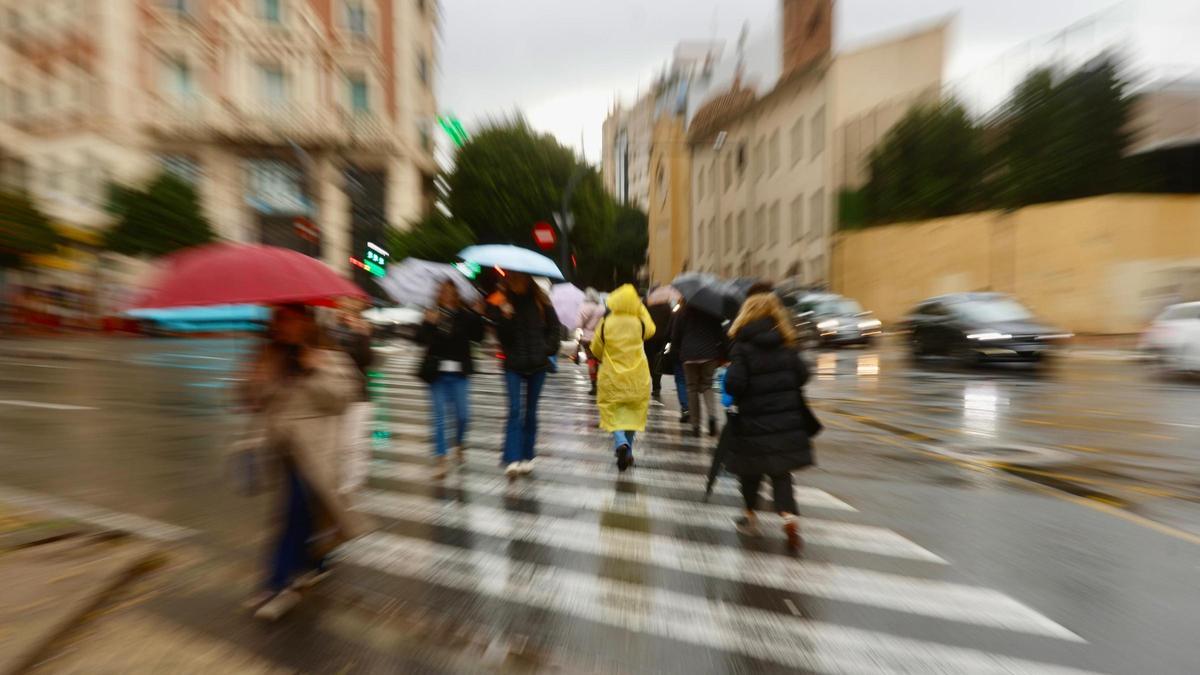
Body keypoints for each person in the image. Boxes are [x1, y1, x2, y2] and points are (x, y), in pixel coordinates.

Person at [240, 304, 368, 620]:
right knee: (305, 513)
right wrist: (254, 380)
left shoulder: (328, 355)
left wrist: (314, 369)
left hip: (316, 454)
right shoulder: (272, 356)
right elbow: (254, 398)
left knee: (293, 514)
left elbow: (343, 397)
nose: (283, 326)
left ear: (306, 323)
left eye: (289, 320)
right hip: (281, 451)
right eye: (279, 320)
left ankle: (277, 583)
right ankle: (315, 561)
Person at [723, 293, 820, 551]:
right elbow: (803, 375)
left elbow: (735, 384)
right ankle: (788, 516)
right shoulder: (786, 343)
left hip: (752, 422)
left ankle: (750, 514)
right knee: (781, 473)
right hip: (785, 420)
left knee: (749, 470)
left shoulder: (742, 346)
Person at [487, 272, 561, 478]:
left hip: (537, 366)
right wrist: (505, 317)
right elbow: (502, 338)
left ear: (527, 279)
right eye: (512, 279)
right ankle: (512, 458)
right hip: (513, 365)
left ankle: (528, 456)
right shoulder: (504, 302)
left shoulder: (541, 301)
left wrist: (546, 349)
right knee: (514, 410)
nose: (515, 282)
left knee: (531, 411)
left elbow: (555, 329)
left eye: (518, 278)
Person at [417, 280, 485, 477]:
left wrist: (478, 315)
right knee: (439, 417)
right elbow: (420, 340)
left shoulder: (464, 315)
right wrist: (428, 323)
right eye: (443, 291)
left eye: (450, 291)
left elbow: (478, 337)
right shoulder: (433, 312)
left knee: (463, 416)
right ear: (439, 294)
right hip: (437, 375)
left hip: (459, 375)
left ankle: (459, 444)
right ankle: (441, 459)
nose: (446, 294)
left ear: (456, 294)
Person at [590, 284, 656, 472]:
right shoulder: (640, 322)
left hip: (612, 377)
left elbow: (596, 348)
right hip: (637, 378)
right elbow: (652, 329)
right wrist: (639, 308)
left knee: (611, 411)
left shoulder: (606, 322)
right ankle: (628, 450)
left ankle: (620, 442)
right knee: (633, 415)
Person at [330, 307, 374, 494]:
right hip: (335, 395)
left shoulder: (360, 333)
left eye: (348, 311)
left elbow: (367, 359)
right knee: (339, 442)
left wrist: (362, 335)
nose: (344, 314)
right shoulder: (330, 332)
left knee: (353, 441)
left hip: (357, 396)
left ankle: (355, 478)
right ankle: (343, 477)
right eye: (341, 309)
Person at [671, 302, 728, 437]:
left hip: (688, 354)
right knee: (707, 386)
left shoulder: (682, 311)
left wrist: (677, 351)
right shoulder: (712, 309)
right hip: (709, 354)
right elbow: (720, 333)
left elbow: (675, 335)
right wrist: (723, 353)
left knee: (692, 388)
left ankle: (695, 425)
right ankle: (712, 416)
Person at [644, 288, 674, 398]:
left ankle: (655, 382)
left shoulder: (646, 304)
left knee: (650, 360)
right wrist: (669, 337)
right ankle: (656, 384)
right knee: (659, 360)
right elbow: (671, 321)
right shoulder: (667, 306)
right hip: (662, 338)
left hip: (649, 337)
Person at [576, 289, 606, 396]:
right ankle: (602, 383)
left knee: (591, 360)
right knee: (600, 360)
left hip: (587, 338)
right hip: (600, 338)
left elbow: (578, 324)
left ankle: (594, 385)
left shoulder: (583, 307)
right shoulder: (602, 307)